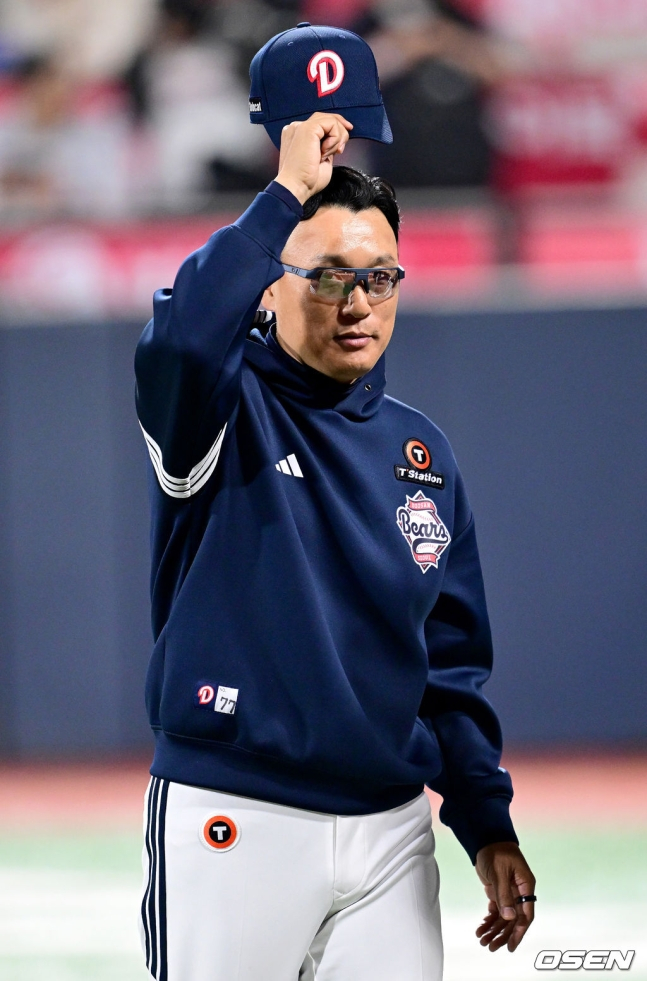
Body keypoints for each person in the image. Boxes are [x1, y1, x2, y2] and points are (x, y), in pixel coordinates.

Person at [135, 111, 536, 981]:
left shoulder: (421, 453)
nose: (357, 305)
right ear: (266, 289)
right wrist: (284, 193)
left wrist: (484, 820)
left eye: (378, 277)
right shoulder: (218, 407)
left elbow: (447, 667)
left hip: (391, 829)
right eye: (325, 279)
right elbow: (182, 338)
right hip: (235, 812)